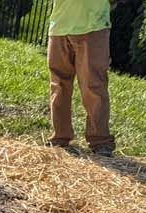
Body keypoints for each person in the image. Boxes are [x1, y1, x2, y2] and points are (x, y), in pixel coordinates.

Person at [47, 0, 116, 155]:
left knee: (93, 85)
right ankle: (59, 137)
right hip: (59, 26)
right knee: (59, 85)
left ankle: (100, 141)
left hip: (93, 26)